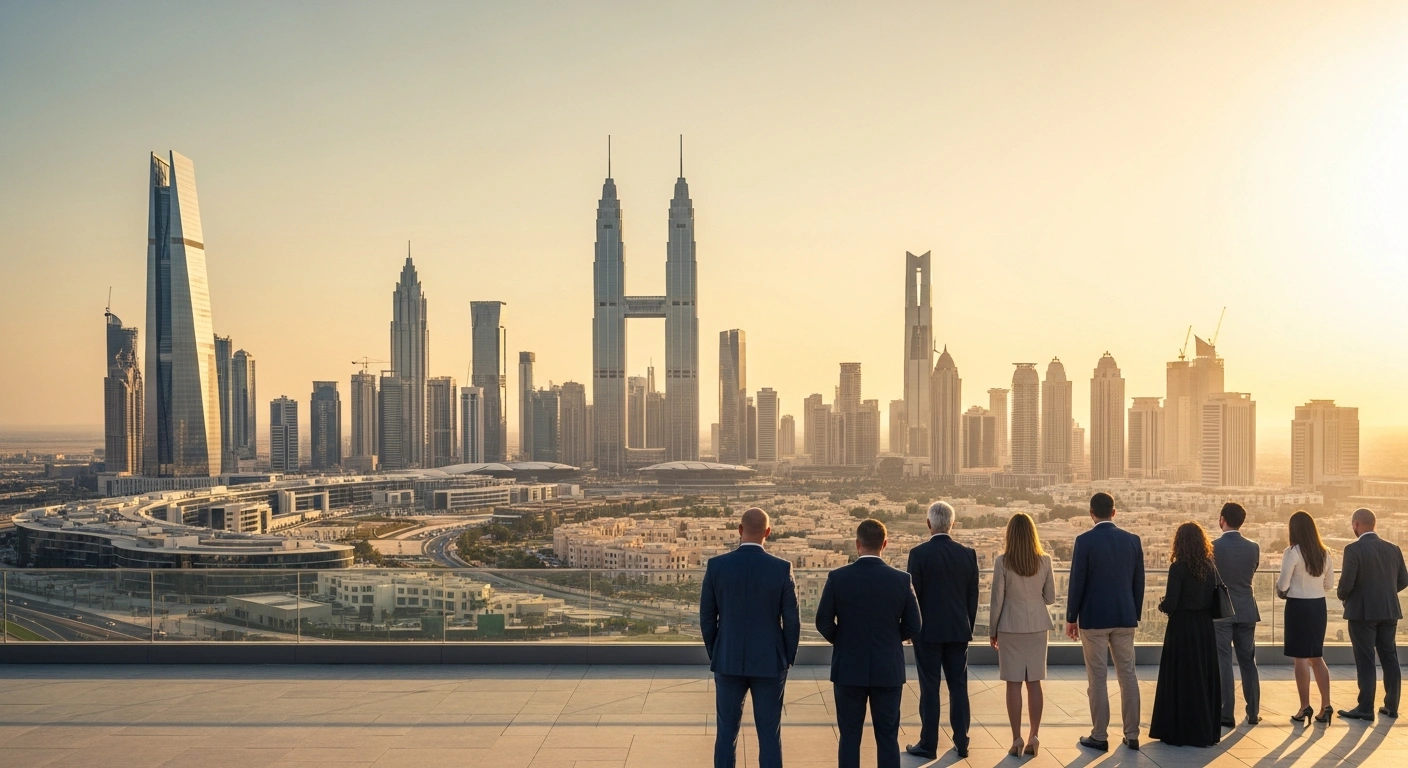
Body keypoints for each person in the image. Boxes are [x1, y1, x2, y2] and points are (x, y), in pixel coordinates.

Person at [699, 507, 801, 768]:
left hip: (728, 659)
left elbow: (707, 619)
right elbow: (792, 621)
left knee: (725, 733)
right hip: (770, 661)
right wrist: (786, 657)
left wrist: (718, 652)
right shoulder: (781, 568)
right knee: (769, 734)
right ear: (768, 532)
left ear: (739, 530)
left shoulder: (717, 566)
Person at [816, 519, 922, 768]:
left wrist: (842, 640)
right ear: (885, 544)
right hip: (888, 667)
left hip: (848, 667)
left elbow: (822, 621)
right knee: (887, 736)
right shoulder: (901, 579)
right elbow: (914, 625)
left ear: (857, 544)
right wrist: (892, 639)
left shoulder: (838, 577)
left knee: (850, 736)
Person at [1066, 491, 1145, 753]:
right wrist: (1134, 613)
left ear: (1091, 513)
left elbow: (1077, 582)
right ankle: (1132, 734)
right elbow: (1139, 582)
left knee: (1097, 678)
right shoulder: (1132, 541)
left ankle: (1099, 735)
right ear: (1114, 512)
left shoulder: (1084, 541)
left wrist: (1071, 617)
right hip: (1124, 616)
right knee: (1128, 676)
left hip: (1094, 618)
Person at [904, 501, 978, 760]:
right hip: (958, 630)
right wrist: (966, 624)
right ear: (952, 524)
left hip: (927, 632)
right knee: (959, 687)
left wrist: (911, 629)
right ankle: (962, 741)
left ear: (928, 524)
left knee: (930, 688)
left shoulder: (918, 554)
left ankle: (928, 744)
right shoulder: (968, 553)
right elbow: (972, 596)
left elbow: (914, 596)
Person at [987, 511, 1055, 757]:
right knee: (1034, 682)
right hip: (1037, 626)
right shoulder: (1045, 560)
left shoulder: (1002, 562)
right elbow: (1051, 598)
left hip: (1010, 626)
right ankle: (1033, 736)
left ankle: (1016, 738)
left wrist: (992, 631)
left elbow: (996, 601)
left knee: (1013, 684)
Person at [1149, 522, 1223, 747]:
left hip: (1182, 627)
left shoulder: (1178, 568)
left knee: (1181, 676)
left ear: (1179, 543)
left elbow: (1171, 603)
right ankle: (1203, 729)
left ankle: (1178, 730)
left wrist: (1162, 605)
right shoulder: (1210, 567)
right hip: (1204, 627)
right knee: (1201, 675)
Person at [1336, 507, 1408, 722]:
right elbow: (1404, 580)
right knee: (1389, 656)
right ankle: (1391, 706)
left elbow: (1346, 584)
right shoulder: (1393, 549)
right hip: (1389, 610)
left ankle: (1365, 707)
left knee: (1366, 659)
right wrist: (1384, 592)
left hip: (1362, 612)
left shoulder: (1353, 550)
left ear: (1356, 524)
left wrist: (1345, 597)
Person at [1277, 510, 1334, 725]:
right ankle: (1325, 705)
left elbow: (1283, 584)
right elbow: (1329, 584)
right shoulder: (1325, 552)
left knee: (1300, 658)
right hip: (1319, 606)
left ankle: (1304, 706)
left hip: (1298, 606)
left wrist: (1284, 589)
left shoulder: (1292, 552)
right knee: (1316, 657)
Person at [1213, 502, 1261, 727]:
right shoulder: (1254, 547)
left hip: (1221, 611)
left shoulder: (1212, 547)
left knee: (1223, 662)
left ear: (1222, 519)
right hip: (1246, 609)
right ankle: (1253, 712)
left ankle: (1226, 713)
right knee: (1248, 662)